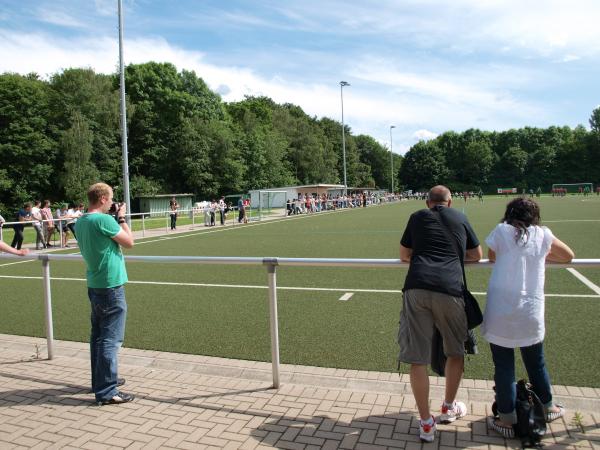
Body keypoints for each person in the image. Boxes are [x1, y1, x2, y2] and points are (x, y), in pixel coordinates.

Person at [482, 197, 574, 438]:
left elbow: (492, 256)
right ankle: (548, 406)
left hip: (501, 308)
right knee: (536, 362)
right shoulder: (542, 235)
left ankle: (506, 418)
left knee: (504, 367)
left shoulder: (502, 231)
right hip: (530, 309)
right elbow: (567, 256)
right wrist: (540, 255)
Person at [399, 185, 482, 443]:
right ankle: (448, 407)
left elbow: (404, 255)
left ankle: (425, 423)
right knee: (455, 350)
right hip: (450, 288)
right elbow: (476, 255)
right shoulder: (460, 217)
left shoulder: (417, 217)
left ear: (427, 203)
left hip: (417, 286)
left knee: (417, 358)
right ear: (450, 202)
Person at [76, 183, 135, 405]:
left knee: (98, 337)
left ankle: (100, 381)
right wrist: (121, 218)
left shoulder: (81, 221)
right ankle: (107, 390)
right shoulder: (104, 220)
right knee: (110, 339)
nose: (112, 202)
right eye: (110, 199)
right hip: (110, 286)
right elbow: (130, 242)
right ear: (102, 199)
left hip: (95, 284)